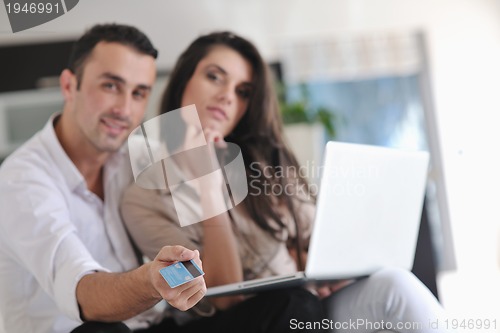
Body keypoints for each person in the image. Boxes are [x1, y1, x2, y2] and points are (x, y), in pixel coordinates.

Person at [121, 31, 457, 333]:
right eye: (214, 77)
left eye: (242, 91)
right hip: (255, 322)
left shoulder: (262, 162)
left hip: (310, 305)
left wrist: (331, 272)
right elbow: (220, 299)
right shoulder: (142, 198)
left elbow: (316, 237)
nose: (227, 96)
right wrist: (210, 189)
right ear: (182, 81)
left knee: (394, 285)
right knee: (298, 308)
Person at [0, 24, 207, 333]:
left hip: (153, 324)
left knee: (285, 306)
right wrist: (152, 280)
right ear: (70, 86)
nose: (125, 109)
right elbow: (84, 293)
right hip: (86, 330)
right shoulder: (22, 180)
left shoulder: (133, 160)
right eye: (111, 86)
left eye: (138, 93)